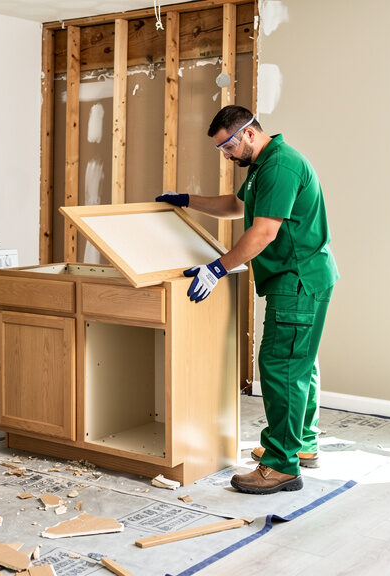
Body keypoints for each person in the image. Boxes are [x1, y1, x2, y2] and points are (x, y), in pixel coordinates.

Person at [156, 105, 338, 495]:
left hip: (297, 279)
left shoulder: (279, 167)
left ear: (249, 134)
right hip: (304, 275)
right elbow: (237, 206)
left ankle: (281, 464)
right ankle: (300, 444)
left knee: (281, 366)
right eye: (220, 149)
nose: (225, 155)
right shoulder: (264, 164)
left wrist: (216, 268)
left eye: (227, 146)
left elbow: (263, 233)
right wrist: (188, 199)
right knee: (299, 365)